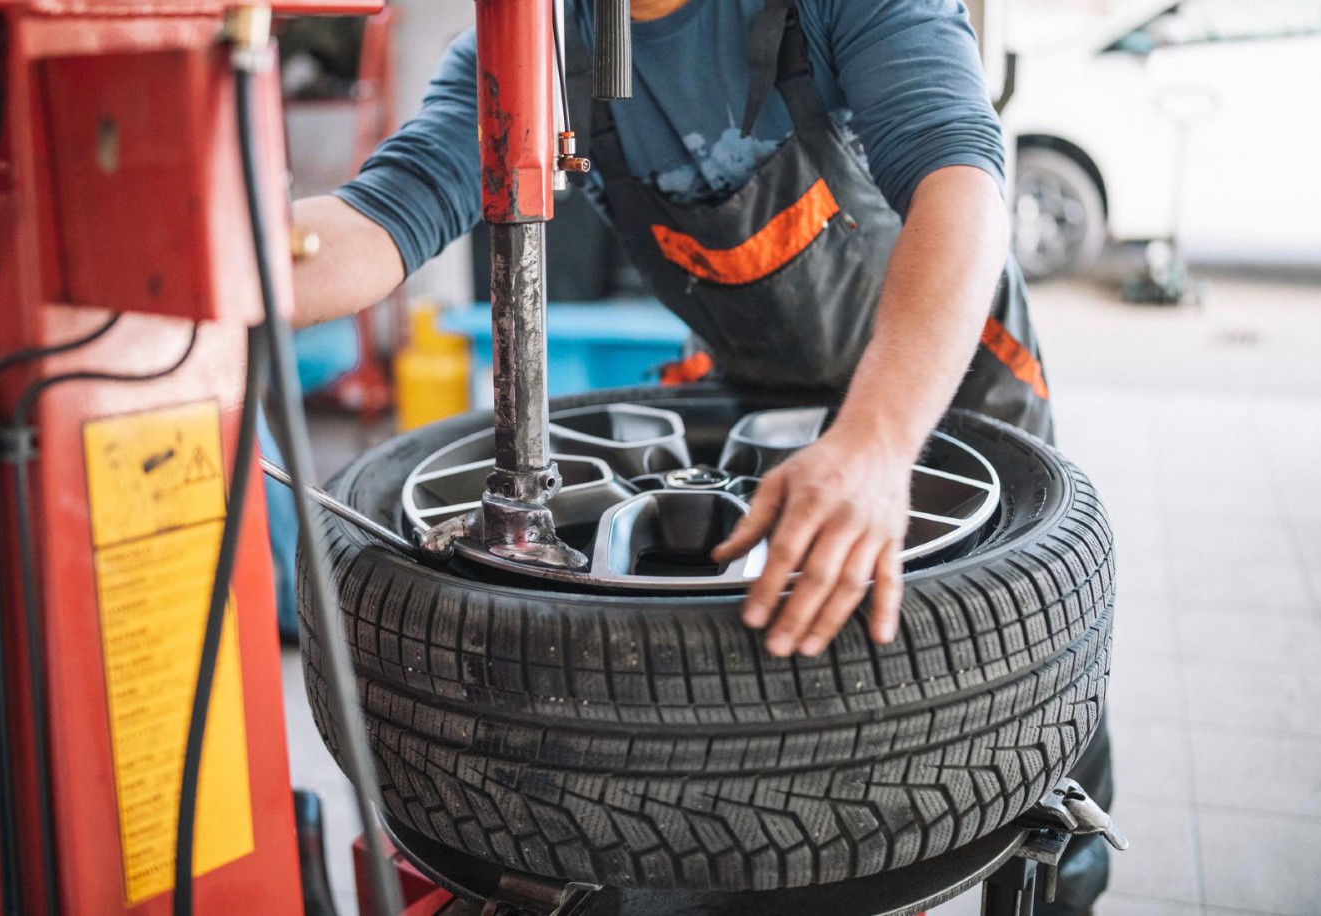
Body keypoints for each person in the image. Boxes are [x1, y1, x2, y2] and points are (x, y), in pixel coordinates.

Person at [289, 2, 1109, 911]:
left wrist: (876, 441)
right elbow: (383, 216)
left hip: (948, 406)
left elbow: (963, 181)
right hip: (761, 407)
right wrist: (207, 263)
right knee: (786, 731)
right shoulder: (540, 35)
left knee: (1026, 709)